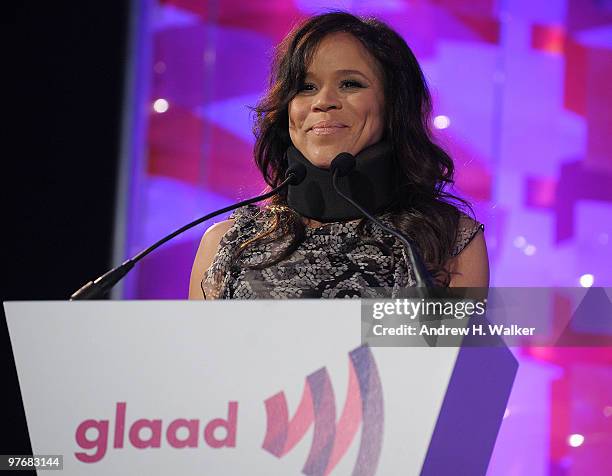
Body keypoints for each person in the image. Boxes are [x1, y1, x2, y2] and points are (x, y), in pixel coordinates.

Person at [189, 12, 489, 300]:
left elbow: (444, 353)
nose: (323, 102)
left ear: (393, 104)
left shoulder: (448, 241)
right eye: (306, 87)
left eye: (350, 84)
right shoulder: (225, 244)